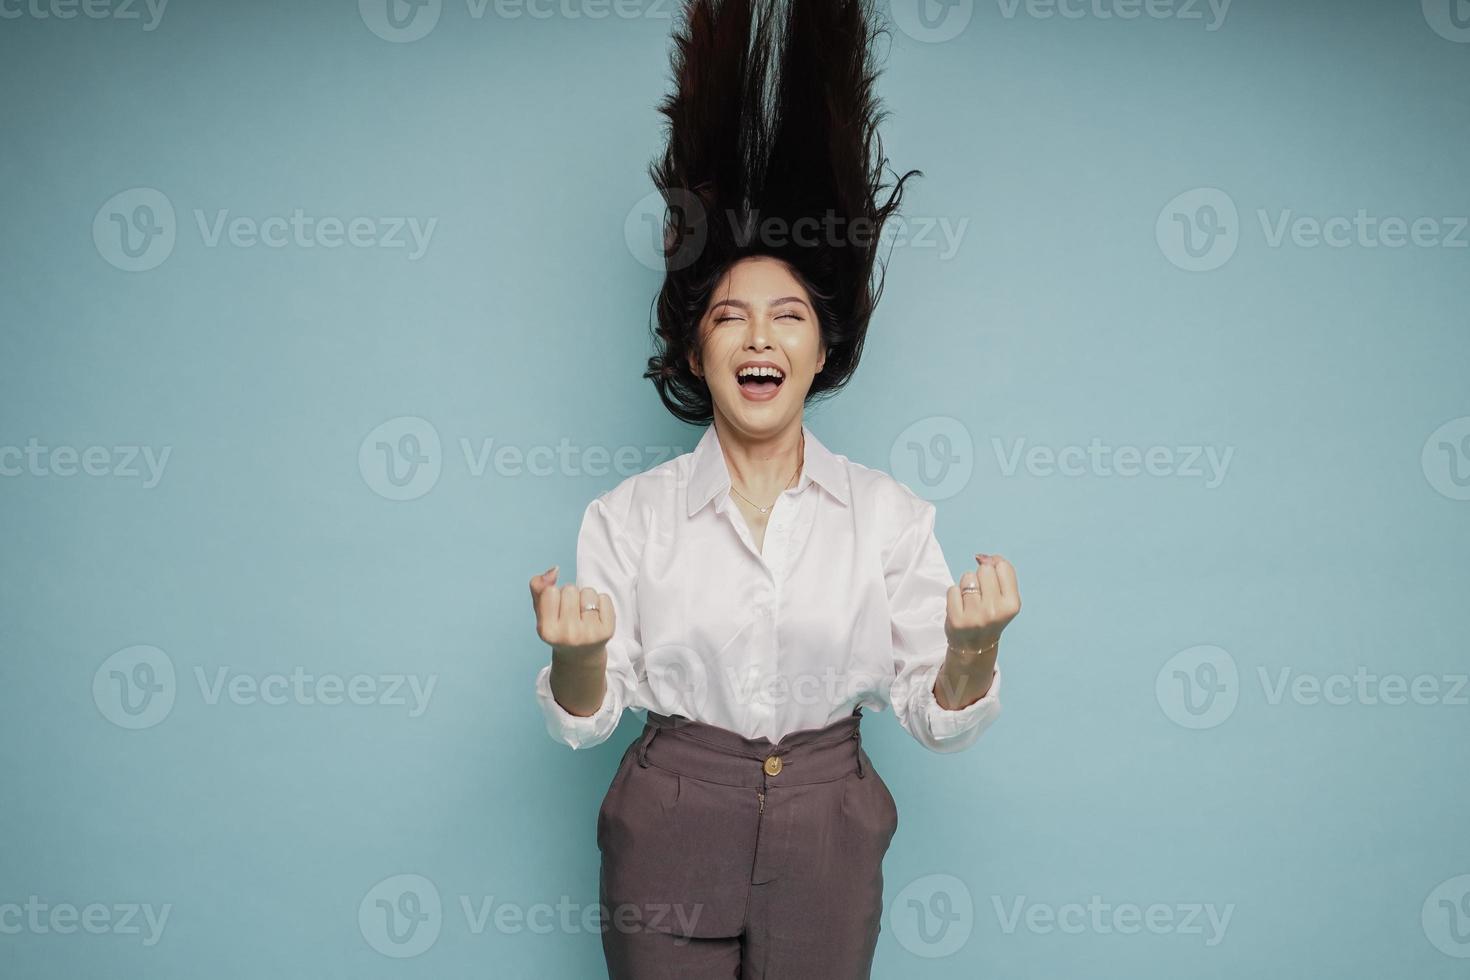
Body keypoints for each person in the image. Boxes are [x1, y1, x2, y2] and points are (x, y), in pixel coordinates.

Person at [529, 1, 1022, 975]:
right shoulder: (625, 518)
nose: (760, 336)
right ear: (695, 344)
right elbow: (586, 719)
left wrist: (972, 649)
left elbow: (937, 710)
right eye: (732, 316)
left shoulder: (889, 515)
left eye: (788, 315)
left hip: (829, 829)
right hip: (668, 819)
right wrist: (578, 657)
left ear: (822, 346)